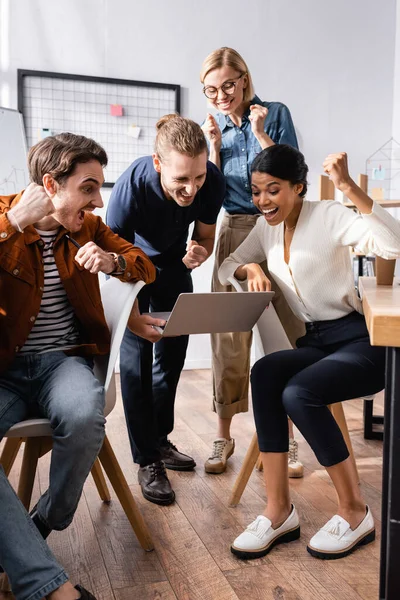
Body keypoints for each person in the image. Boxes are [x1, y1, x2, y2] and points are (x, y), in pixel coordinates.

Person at [218, 144, 400, 560]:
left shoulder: (330, 216)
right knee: (265, 373)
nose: (263, 201)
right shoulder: (266, 227)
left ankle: (355, 513)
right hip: (317, 340)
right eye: (257, 191)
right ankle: (278, 510)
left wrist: (348, 186)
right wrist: (253, 268)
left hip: (361, 341)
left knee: (298, 393)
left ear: (298, 187)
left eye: (274, 190)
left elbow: (392, 245)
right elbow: (228, 265)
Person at [0, 132, 155, 599]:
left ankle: (40, 523)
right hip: (4, 369)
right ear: (51, 183)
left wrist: (111, 261)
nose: (97, 201)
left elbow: (143, 264)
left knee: (87, 417)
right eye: (88, 187)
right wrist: (10, 223)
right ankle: (47, 584)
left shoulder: (87, 228)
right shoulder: (4, 211)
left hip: (62, 364)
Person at [106, 115, 225, 505]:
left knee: (171, 357)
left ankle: (160, 440)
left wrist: (199, 252)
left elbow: (205, 236)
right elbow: (117, 259)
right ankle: (146, 460)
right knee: (137, 360)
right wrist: (135, 317)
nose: (191, 189)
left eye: (198, 177)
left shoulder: (211, 180)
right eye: (181, 180)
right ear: (158, 164)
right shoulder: (130, 188)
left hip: (173, 267)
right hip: (132, 270)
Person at [200, 47, 305, 476]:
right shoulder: (215, 129)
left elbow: (292, 173)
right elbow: (210, 191)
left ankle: (289, 441)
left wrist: (262, 134)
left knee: (287, 332)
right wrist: (213, 150)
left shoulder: (274, 113)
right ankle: (223, 436)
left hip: (278, 227)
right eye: (211, 90)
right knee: (228, 337)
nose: (221, 95)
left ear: (244, 78)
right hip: (234, 229)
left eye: (227, 84)